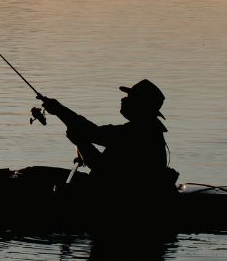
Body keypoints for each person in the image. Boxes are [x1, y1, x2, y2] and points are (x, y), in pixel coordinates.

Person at [38, 79, 177, 194]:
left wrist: (81, 143)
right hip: (122, 187)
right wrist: (60, 111)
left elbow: (100, 166)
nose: (123, 99)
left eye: (130, 98)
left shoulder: (134, 133)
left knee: (34, 175)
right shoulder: (148, 130)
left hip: (115, 192)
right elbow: (91, 133)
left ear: (140, 106)